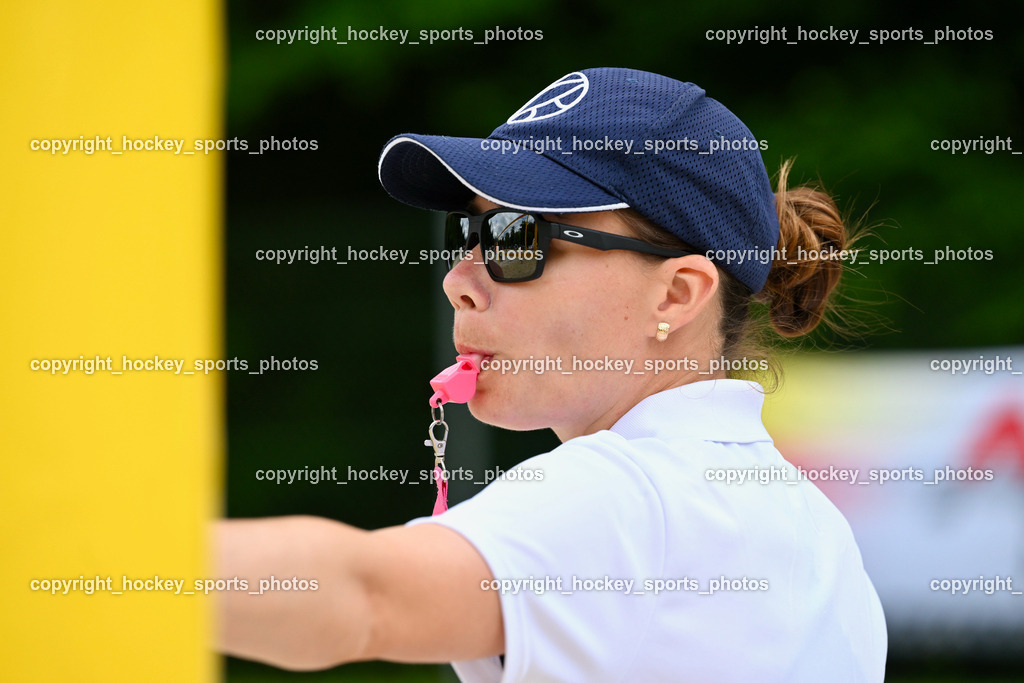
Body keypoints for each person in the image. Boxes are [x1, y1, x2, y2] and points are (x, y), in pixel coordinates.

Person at [216, 67, 888, 681]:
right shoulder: (824, 538)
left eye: (517, 237)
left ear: (677, 295)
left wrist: (126, 567)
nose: (459, 280)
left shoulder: (629, 491)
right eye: (469, 234)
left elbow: (364, 597)